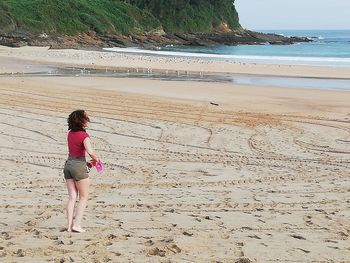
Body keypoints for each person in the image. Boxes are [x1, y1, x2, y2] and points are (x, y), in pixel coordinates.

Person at [63, 110, 99, 233]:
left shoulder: (70, 133)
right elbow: (90, 152)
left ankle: (69, 226)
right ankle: (76, 225)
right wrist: (97, 160)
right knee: (83, 197)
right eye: (86, 117)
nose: (88, 120)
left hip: (68, 165)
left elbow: (75, 152)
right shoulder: (84, 136)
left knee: (72, 196)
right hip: (78, 166)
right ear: (81, 120)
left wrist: (86, 162)